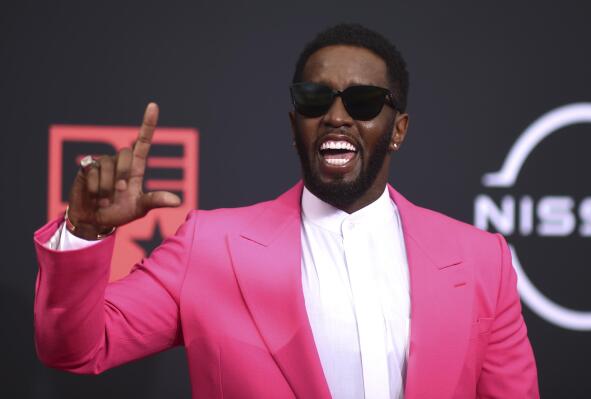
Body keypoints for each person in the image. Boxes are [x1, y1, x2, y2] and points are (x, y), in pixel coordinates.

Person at [33, 24, 539, 398]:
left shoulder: (480, 261)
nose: (336, 116)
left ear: (399, 130)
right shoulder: (210, 248)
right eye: (315, 99)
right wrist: (85, 230)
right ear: (294, 120)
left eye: (363, 102)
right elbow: (76, 349)